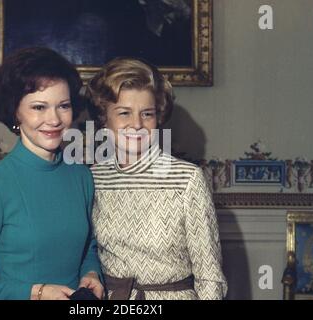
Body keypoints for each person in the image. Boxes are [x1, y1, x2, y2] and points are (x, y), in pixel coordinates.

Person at [0, 47, 103, 300]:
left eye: (63, 106)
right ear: (15, 112)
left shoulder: (81, 176)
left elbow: (89, 246)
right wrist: (37, 293)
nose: (54, 119)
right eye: (38, 107)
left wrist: (91, 273)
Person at [86, 57, 227, 300]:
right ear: (104, 119)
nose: (137, 125)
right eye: (124, 113)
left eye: (147, 114)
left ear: (159, 117)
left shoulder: (187, 179)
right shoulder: (94, 178)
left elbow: (210, 276)